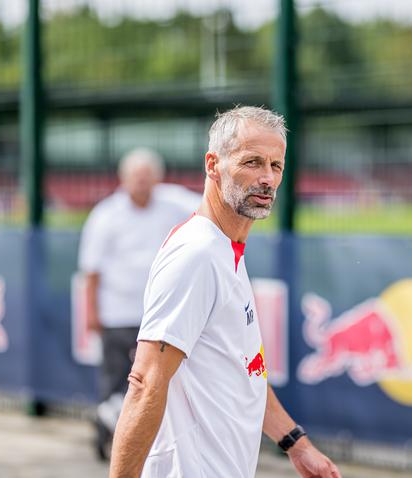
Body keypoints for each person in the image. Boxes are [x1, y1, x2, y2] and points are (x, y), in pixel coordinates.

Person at [109, 106, 341, 478]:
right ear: (213, 165)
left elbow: (245, 369)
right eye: (252, 162)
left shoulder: (225, 249)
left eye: (275, 166)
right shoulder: (198, 254)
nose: (267, 178)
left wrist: (296, 443)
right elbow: (145, 384)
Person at [77, 147, 200, 460]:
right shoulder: (106, 214)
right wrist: (92, 312)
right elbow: (91, 271)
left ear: (157, 178)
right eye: (137, 177)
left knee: (155, 382)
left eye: (147, 177)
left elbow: (207, 210)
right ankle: (108, 437)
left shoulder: (173, 202)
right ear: (124, 179)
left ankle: (148, 443)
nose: (142, 183)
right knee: (116, 380)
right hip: (118, 313)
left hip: (159, 316)